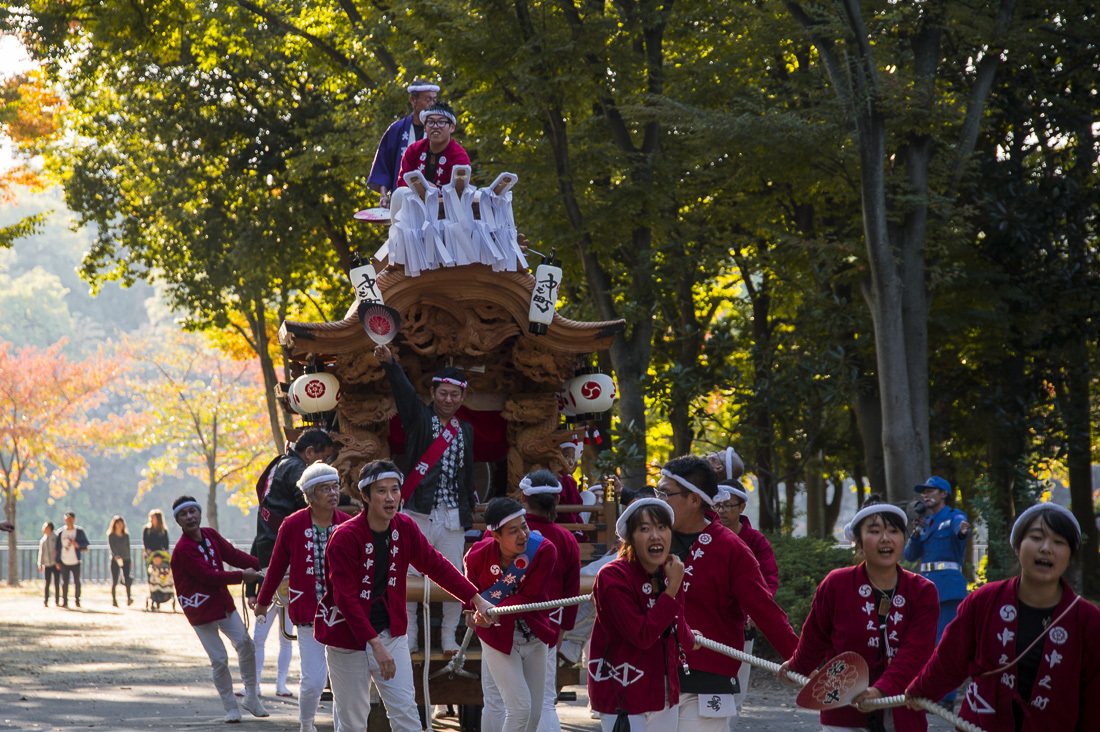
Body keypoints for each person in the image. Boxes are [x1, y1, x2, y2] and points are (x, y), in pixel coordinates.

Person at [315, 460, 493, 732]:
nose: (390, 498)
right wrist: (374, 644)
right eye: (381, 491)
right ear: (365, 495)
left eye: (395, 490)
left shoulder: (405, 528)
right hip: (347, 638)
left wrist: (475, 598)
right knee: (352, 722)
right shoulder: (345, 537)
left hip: (392, 633)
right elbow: (345, 598)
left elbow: (437, 566)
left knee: (406, 716)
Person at [906, 502, 1100, 731]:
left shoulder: (1088, 621)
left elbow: (1094, 702)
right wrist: (918, 691)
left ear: (1070, 555)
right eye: (1036, 538)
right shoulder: (984, 600)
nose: (1046, 548)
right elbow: (948, 659)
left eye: (1059, 542)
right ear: (1017, 547)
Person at [657, 455, 798, 731]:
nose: (658, 498)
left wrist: (799, 660)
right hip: (653, 673)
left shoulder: (731, 548)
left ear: (694, 500)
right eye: (657, 491)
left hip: (708, 677)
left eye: (666, 493)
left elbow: (764, 609)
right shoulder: (651, 537)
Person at [779, 495, 938, 732]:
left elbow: (916, 652)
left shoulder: (923, 591)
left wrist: (880, 690)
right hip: (843, 712)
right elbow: (814, 638)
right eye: (874, 531)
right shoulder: (836, 584)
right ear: (859, 542)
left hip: (901, 712)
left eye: (894, 531)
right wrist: (796, 667)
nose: (886, 538)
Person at [374, 343, 475, 654]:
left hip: (453, 515)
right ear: (433, 394)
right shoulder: (418, 419)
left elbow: (467, 474)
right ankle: (411, 637)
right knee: (410, 575)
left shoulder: (467, 430)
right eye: (442, 393)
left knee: (454, 574)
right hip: (418, 510)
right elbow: (404, 394)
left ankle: (448, 638)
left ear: (462, 397)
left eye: (454, 394)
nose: (448, 399)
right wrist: (391, 364)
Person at [254, 463, 352, 732]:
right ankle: (306, 725)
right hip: (309, 614)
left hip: (345, 616)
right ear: (309, 495)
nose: (333, 493)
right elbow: (275, 567)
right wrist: (262, 603)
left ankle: (344, 727)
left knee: (346, 681)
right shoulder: (292, 524)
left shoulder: (347, 524)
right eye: (325, 488)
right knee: (313, 680)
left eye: (335, 487)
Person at [589, 497, 694, 731]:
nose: (655, 535)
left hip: (664, 691)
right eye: (645, 529)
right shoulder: (613, 576)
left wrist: (690, 639)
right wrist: (673, 588)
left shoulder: (669, 571)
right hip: (623, 692)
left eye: (662, 527)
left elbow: (677, 625)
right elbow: (642, 636)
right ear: (631, 538)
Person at [170, 494, 269, 723]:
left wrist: (264, 565)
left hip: (223, 603)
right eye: (183, 514)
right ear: (178, 521)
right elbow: (208, 576)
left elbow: (233, 555)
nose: (189, 517)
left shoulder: (211, 535)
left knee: (246, 644)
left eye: (192, 511)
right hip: (200, 610)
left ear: (199, 512)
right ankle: (230, 707)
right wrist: (242, 576)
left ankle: (251, 696)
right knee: (219, 659)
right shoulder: (183, 549)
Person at [466, 497, 559, 732]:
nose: (523, 535)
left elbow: (532, 597)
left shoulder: (544, 550)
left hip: (535, 634)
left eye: (524, 526)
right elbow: (469, 592)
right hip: (497, 637)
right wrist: (471, 611)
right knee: (520, 710)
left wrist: (494, 610)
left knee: (535, 715)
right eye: (513, 530)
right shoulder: (476, 556)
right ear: (495, 536)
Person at [514, 470, 582, 732]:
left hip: (505, 623)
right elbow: (572, 591)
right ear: (556, 502)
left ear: (523, 497)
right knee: (543, 703)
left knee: (500, 702)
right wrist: (564, 628)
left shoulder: (505, 533)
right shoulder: (566, 539)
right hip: (548, 626)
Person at [902, 475, 970, 709]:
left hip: (948, 590)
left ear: (944, 495)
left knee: (944, 644)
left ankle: (947, 697)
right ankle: (927, 690)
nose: (926, 495)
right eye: (924, 492)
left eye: (931, 491)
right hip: (925, 589)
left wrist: (962, 530)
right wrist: (916, 532)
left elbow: (960, 529)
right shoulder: (927, 524)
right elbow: (910, 556)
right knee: (924, 642)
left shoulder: (954, 517)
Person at [713, 480, 778, 720]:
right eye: (717, 505)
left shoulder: (757, 541)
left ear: (741, 507)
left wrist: (756, 612)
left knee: (736, 689)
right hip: (711, 624)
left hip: (743, 625)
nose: (722, 511)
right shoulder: (706, 536)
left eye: (728, 505)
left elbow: (769, 578)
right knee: (708, 691)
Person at [368, 81, 439, 207]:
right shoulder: (397, 129)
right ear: (413, 100)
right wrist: (383, 195)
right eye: (428, 100)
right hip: (402, 200)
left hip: (432, 201)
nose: (432, 105)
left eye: (434, 100)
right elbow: (384, 166)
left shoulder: (438, 130)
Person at [395, 101, 470, 190]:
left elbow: (460, 191)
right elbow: (402, 183)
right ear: (425, 128)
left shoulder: (459, 155)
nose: (435, 126)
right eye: (430, 122)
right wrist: (422, 186)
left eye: (441, 122)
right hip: (415, 201)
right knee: (399, 192)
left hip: (447, 203)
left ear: (452, 127)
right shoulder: (413, 150)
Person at [54, 511, 89, 608]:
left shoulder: (79, 531)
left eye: (70, 519)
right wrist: (57, 561)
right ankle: (65, 601)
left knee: (77, 581)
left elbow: (85, 544)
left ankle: (77, 600)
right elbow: (56, 548)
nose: (68, 521)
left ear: (74, 519)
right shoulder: (61, 532)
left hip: (75, 560)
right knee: (64, 582)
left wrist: (78, 545)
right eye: (67, 518)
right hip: (64, 560)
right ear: (64, 519)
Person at [107, 515, 134, 607]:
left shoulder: (126, 536)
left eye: (121, 524)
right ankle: (114, 600)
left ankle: (129, 597)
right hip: (116, 560)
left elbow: (128, 548)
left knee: (127, 579)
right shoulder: (111, 535)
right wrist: (116, 556)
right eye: (118, 524)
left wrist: (130, 561)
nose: (120, 525)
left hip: (126, 559)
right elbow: (112, 547)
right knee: (115, 580)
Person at [38, 521, 60, 607]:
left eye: (45, 527)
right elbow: (41, 553)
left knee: (56, 582)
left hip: (55, 563)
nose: (43, 529)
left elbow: (59, 549)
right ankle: (46, 600)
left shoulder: (56, 537)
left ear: (50, 528)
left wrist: (58, 560)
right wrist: (40, 563)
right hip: (47, 564)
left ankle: (57, 600)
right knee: (47, 583)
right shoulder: (43, 540)